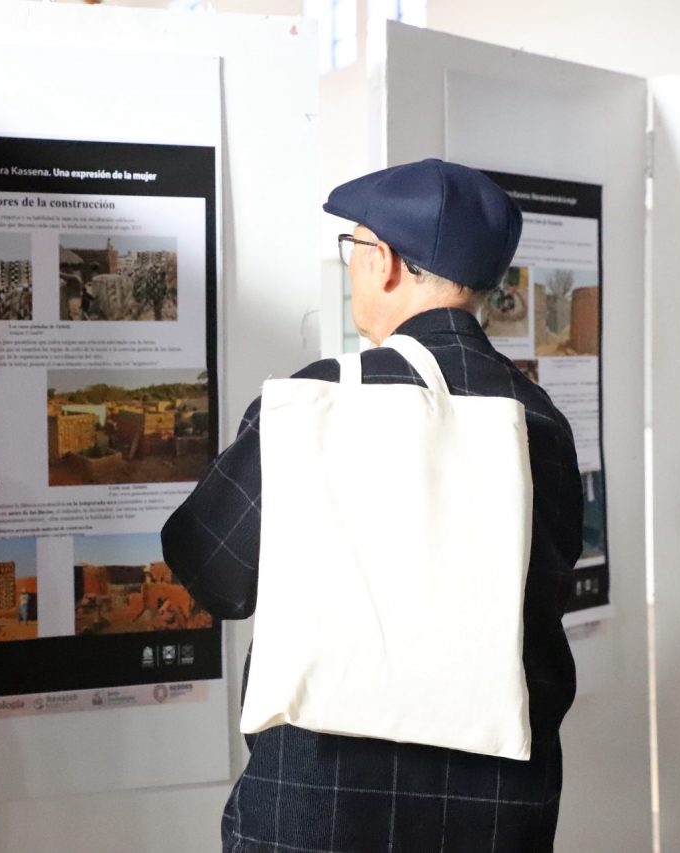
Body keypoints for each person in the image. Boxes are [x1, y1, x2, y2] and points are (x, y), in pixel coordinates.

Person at [162, 159, 583, 852]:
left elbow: (213, 572)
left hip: (318, 810)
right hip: (498, 814)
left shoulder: (323, 400)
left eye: (352, 247)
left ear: (382, 261)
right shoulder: (540, 421)